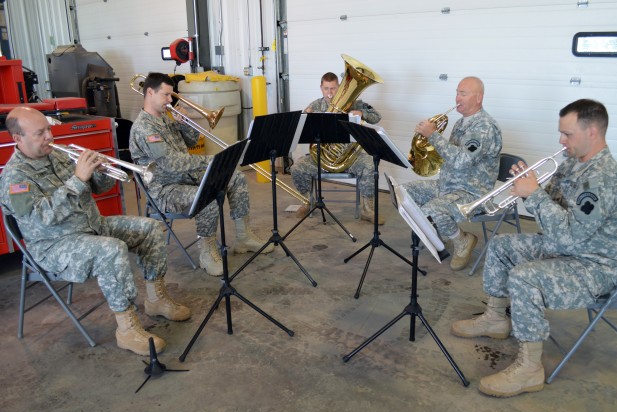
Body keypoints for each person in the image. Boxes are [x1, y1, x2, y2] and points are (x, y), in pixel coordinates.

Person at [451, 99, 617, 397]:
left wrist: (534, 196)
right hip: (567, 250)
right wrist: (529, 186)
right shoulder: (575, 161)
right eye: (560, 133)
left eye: (568, 134)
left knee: (525, 277)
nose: (561, 140)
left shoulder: (605, 178)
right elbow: (556, 209)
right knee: (500, 245)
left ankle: (529, 369)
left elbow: (568, 238)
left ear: (593, 132)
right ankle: (496, 318)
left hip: (594, 266)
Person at [0, 107, 191, 356]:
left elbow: (97, 188)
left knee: (151, 228)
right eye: (39, 133)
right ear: (18, 139)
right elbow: (42, 218)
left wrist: (100, 171)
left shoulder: (55, 155)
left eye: (48, 129)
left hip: (92, 227)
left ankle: (156, 298)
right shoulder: (15, 178)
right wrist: (78, 180)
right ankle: (126, 328)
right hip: (54, 245)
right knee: (111, 250)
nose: (49, 136)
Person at [129, 72, 271, 277]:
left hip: (185, 176)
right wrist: (208, 160)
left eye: (171, 95)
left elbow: (192, 142)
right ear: (150, 92)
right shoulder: (144, 128)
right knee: (208, 197)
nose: (171, 100)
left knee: (236, 177)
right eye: (166, 95)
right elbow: (170, 163)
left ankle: (243, 237)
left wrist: (184, 122)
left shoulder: (166, 119)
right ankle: (206, 251)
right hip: (165, 189)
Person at [401, 76, 502, 270]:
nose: (457, 98)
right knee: (404, 193)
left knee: (431, 209)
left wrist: (433, 135)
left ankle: (463, 240)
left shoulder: (484, 127)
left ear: (478, 98)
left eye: (463, 94)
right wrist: (426, 144)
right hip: (448, 186)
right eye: (457, 93)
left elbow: (462, 160)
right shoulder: (461, 123)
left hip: (472, 192)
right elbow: (448, 155)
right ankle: (435, 232)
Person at [291, 71, 385, 225]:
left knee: (369, 165)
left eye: (333, 88)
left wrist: (361, 113)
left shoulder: (353, 103)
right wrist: (304, 117)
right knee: (297, 168)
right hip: (321, 157)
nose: (329, 93)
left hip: (348, 158)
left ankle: (368, 210)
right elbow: (300, 129)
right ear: (321, 88)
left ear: (340, 87)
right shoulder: (315, 106)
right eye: (326, 89)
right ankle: (307, 202)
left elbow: (376, 116)